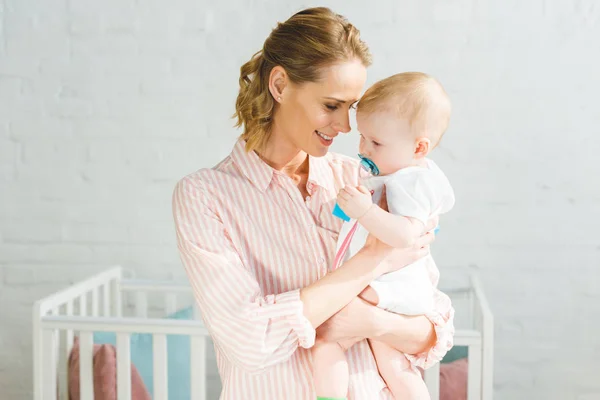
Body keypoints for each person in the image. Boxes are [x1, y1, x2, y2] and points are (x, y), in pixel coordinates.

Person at [172, 7, 455, 399]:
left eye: (350, 108)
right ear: (280, 85)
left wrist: (370, 322)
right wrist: (373, 259)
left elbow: (435, 326)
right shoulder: (207, 197)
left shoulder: (361, 181)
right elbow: (251, 342)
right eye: (331, 105)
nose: (345, 127)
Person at [312, 72, 455, 400]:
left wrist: (364, 210)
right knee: (395, 367)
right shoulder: (397, 174)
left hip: (389, 286)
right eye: (362, 137)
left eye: (375, 142)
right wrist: (350, 211)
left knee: (327, 339)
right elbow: (355, 226)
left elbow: (405, 235)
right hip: (398, 291)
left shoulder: (412, 183)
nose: (362, 148)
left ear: (419, 147)